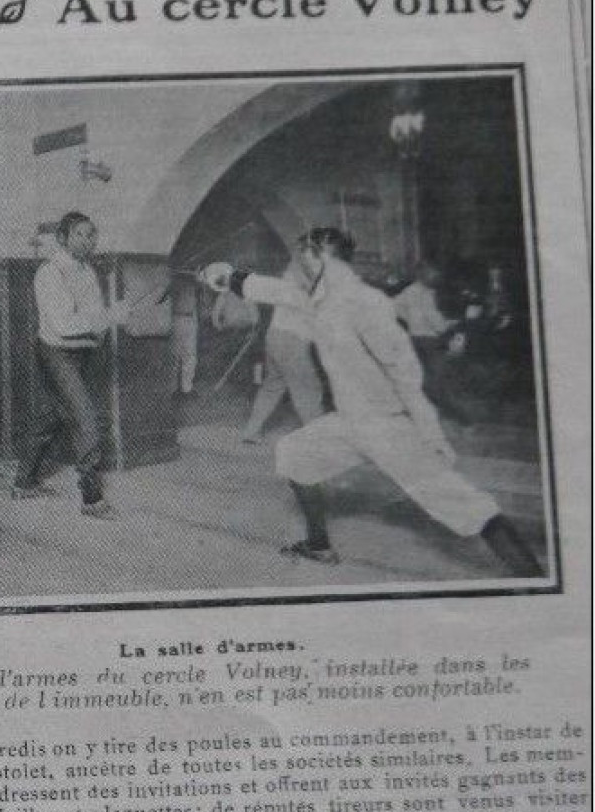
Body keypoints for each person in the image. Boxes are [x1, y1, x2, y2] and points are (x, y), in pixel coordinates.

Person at [200, 228, 543, 576]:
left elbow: (405, 372)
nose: (298, 261)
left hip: (387, 426)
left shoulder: (365, 301)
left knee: (466, 506)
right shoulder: (321, 296)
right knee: (294, 454)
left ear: (318, 256)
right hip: (349, 421)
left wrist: (431, 433)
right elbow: (279, 291)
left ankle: (535, 581)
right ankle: (318, 547)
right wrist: (228, 276)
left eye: (303, 253)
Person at [14, 211, 122, 518]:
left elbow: (94, 317)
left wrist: (105, 324)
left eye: (91, 235)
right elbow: (63, 325)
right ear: (62, 239)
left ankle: (23, 483)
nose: (88, 241)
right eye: (80, 235)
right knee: (85, 417)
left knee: (52, 416)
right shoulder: (49, 273)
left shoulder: (87, 271)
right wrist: (108, 316)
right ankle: (92, 499)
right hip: (55, 353)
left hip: (83, 353)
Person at [235, 260, 327, 443]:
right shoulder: (315, 285)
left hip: (274, 335)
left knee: (272, 386)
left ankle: (250, 431)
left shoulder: (289, 279)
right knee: (309, 388)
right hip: (293, 340)